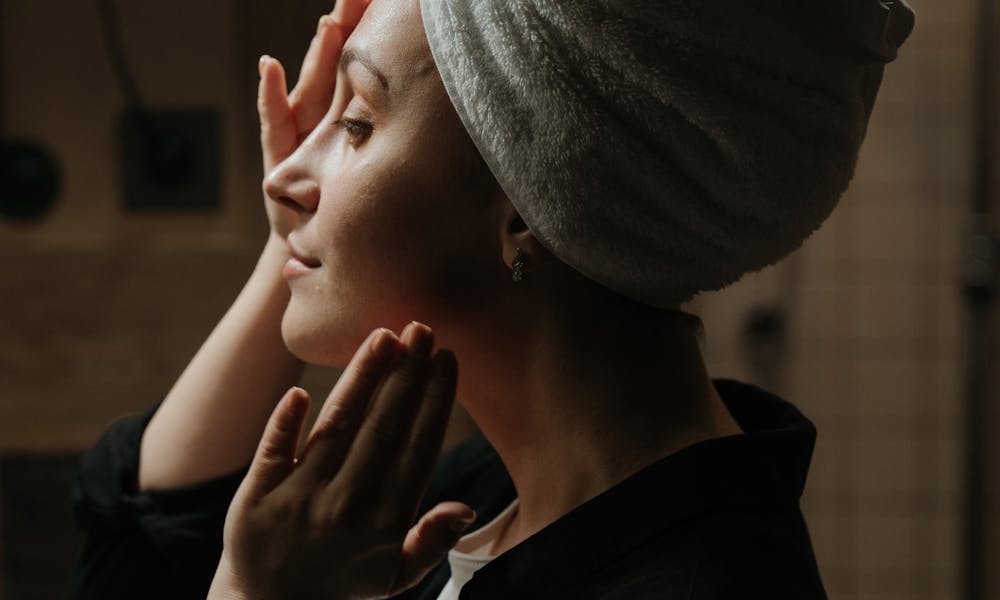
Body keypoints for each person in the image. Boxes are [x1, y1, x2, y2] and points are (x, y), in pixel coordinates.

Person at [72, 0, 914, 598]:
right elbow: (146, 551)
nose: (282, 175)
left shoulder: (690, 580)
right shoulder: (490, 492)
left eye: (356, 122)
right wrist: (286, 248)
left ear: (530, 205)